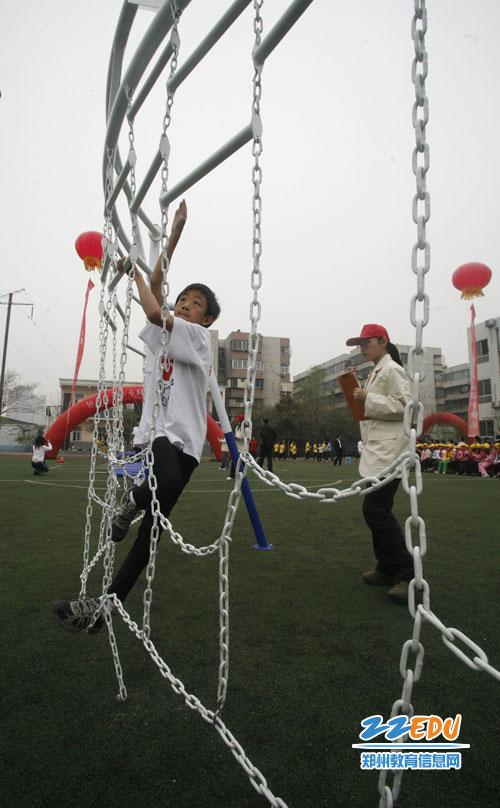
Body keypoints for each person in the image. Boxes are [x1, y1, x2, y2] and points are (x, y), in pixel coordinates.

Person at [54, 199, 221, 633]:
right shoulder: (162, 334)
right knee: (160, 487)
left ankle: (105, 607)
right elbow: (157, 287)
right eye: (183, 300)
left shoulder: (198, 339)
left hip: (186, 440)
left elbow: (152, 305)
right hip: (155, 434)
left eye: (195, 302)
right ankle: (132, 500)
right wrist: (175, 235)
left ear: (207, 318)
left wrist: (132, 272)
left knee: (153, 533)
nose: (185, 305)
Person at [347, 323, 414, 605]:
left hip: (391, 454)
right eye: (360, 343)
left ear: (383, 341)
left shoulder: (393, 369)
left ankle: (406, 573)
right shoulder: (378, 371)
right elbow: (374, 407)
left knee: (376, 511)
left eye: (367, 342)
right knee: (376, 510)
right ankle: (387, 567)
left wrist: (367, 397)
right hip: (378, 453)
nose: (363, 347)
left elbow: (405, 406)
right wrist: (358, 390)